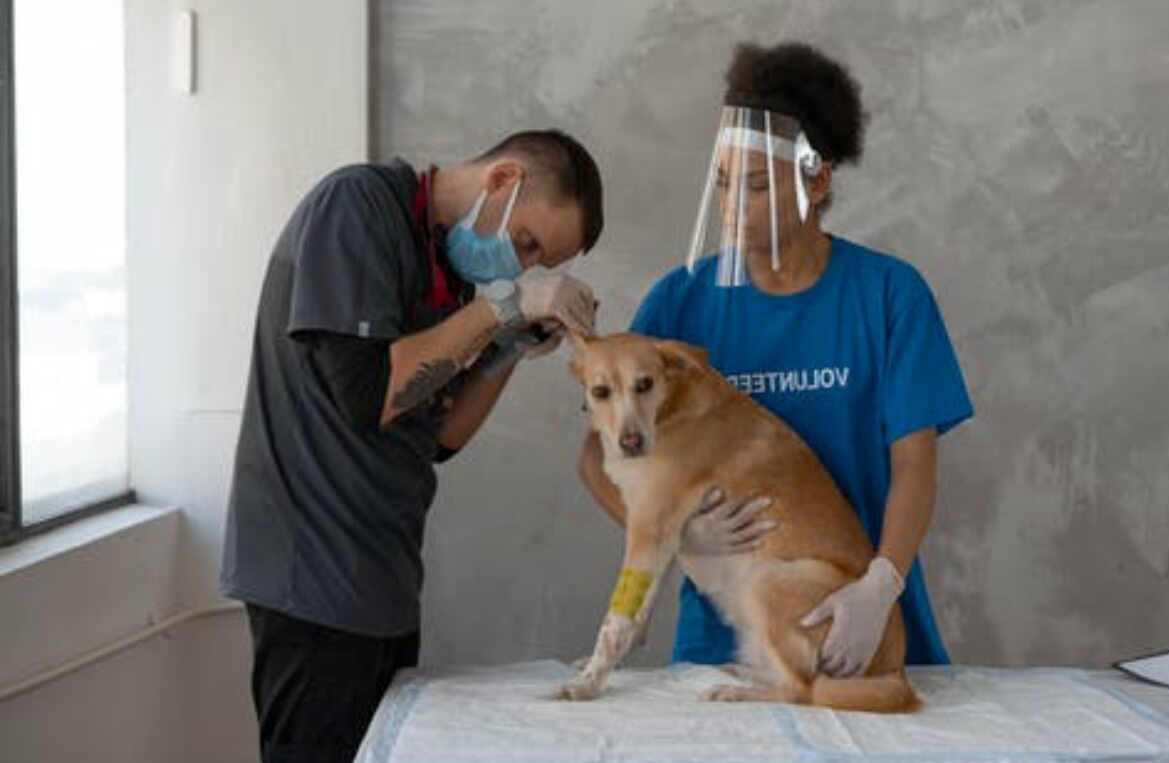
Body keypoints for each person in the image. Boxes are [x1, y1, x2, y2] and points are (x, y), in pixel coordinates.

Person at [580, 42, 972, 678]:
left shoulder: (889, 295)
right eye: (724, 183)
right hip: (728, 648)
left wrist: (880, 586)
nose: (733, 204)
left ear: (816, 181)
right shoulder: (680, 301)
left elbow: (914, 468)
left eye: (757, 185)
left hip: (859, 625)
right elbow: (599, 457)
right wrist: (676, 535)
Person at [220, 129, 604, 763]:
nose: (522, 266)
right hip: (311, 581)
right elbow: (371, 395)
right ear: (503, 180)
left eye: (538, 265)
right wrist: (503, 305)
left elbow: (442, 437)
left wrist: (511, 344)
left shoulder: (448, 273)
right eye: (528, 242)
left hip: (383, 584)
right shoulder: (356, 207)